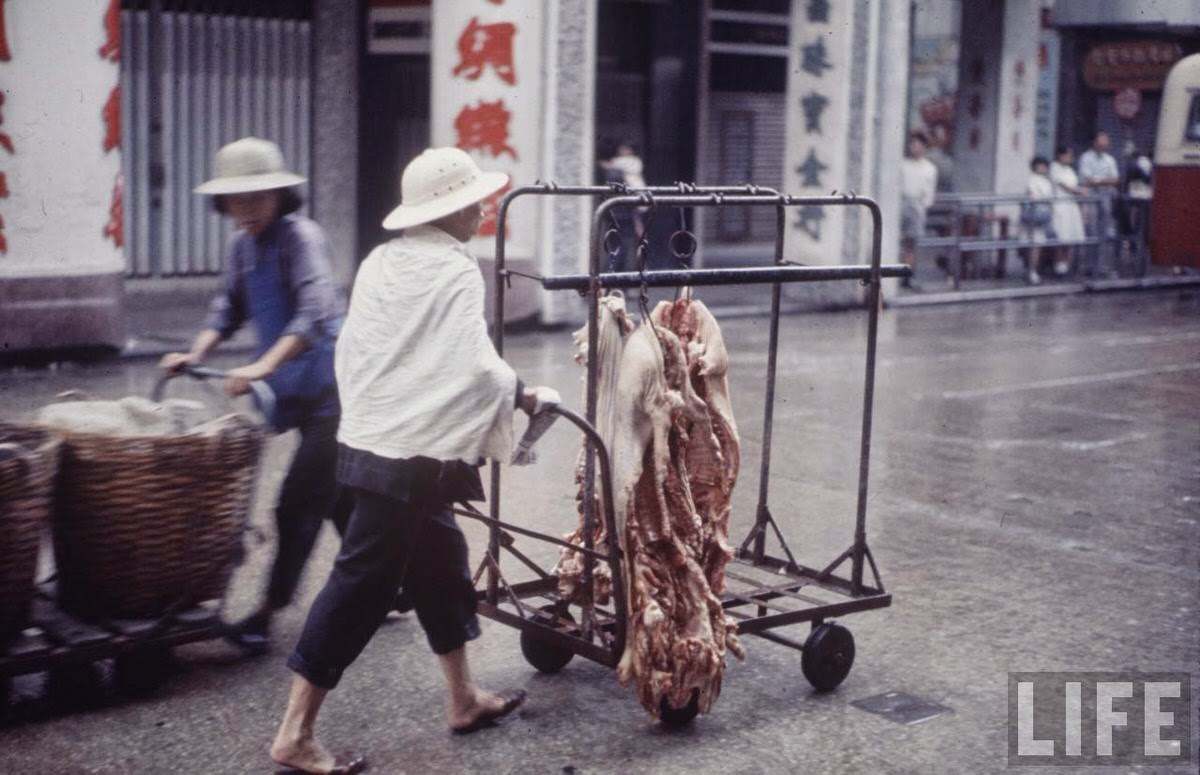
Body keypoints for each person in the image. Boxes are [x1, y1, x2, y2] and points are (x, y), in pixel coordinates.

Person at [269, 147, 555, 774]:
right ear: (450, 210)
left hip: (381, 437)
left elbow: (366, 349)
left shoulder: (381, 261)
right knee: (360, 586)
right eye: (475, 201)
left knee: (442, 564)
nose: (484, 210)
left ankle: (463, 700)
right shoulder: (454, 271)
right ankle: (295, 733)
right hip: (406, 455)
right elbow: (474, 365)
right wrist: (524, 395)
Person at [160, 136, 352, 655]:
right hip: (293, 391)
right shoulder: (242, 247)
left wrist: (261, 366)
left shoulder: (301, 237)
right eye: (235, 199)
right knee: (337, 496)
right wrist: (195, 354)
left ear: (279, 196)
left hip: (334, 391)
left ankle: (267, 613)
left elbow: (315, 312)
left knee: (296, 505)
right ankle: (394, 583)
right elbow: (228, 308)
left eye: (256, 197)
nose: (245, 209)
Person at [899, 130, 939, 288]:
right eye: (912, 144)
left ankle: (907, 275)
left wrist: (923, 206)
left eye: (918, 145)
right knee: (899, 240)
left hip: (917, 206)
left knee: (910, 243)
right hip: (902, 203)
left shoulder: (930, 169)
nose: (915, 148)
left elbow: (929, 192)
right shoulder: (903, 165)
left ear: (924, 147)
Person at [1049, 145, 1087, 277]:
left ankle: (1065, 266)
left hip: (1071, 206)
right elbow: (1065, 187)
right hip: (1060, 206)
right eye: (1068, 155)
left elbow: (1075, 185)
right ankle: (1057, 266)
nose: (1070, 158)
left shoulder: (1070, 170)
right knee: (1061, 236)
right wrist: (1080, 191)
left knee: (1070, 237)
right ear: (1061, 155)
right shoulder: (1054, 168)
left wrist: (1080, 192)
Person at [1078, 130, 1120, 243]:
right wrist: (1105, 181)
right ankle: (1088, 255)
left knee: (1105, 225)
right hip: (1090, 196)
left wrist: (1097, 180)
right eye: (1102, 140)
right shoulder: (1085, 157)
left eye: (1106, 140)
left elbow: (1115, 180)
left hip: (1105, 196)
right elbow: (1088, 180)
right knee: (1090, 227)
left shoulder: (1110, 159)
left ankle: (1102, 253)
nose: (1104, 143)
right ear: (1094, 142)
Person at [1020, 156, 1056, 285]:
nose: (1042, 168)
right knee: (1031, 244)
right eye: (1040, 165)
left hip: (1043, 216)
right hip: (1032, 216)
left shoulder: (1047, 182)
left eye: (1044, 165)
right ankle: (1029, 270)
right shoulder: (1031, 180)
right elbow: (1031, 195)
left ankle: (1034, 270)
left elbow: (1050, 198)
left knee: (1038, 244)